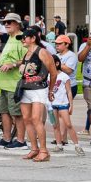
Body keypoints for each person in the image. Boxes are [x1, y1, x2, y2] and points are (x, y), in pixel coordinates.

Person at [18, 27, 57, 162]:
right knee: (27, 119)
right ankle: (34, 149)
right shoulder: (27, 53)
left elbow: (53, 72)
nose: (22, 40)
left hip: (39, 90)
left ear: (33, 38)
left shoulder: (42, 52)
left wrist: (51, 90)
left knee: (36, 119)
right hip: (25, 89)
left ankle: (44, 151)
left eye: (24, 37)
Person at [0, 13, 27, 149]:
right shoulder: (10, 38)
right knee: (4, 112)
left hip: (14, 83)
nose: (6, 24)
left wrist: (12, 64)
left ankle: (21, 141)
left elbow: (26, 59)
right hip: (4, 83)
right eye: (5, 22)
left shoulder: (21, 38)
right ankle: (6, 139)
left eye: (10, 22)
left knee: (16, 113)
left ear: (17, 24)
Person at [49, 55, 83, 155]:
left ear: (57, 63)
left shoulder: (64, 76)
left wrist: (71, 105)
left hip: (63, 104)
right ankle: (59, 144)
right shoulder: (48, 75)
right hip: (52, 105)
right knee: (55, 125)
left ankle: (77, 145)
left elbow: (69, 92)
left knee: (68, 124)